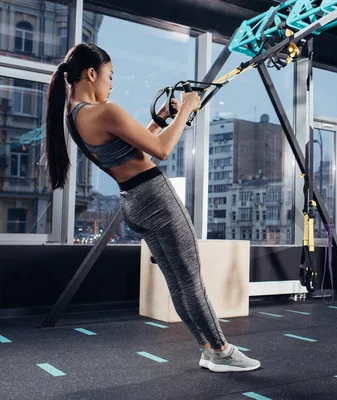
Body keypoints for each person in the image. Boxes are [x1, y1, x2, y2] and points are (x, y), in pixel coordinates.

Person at [45, 43, 260, 373]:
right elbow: (160, 151)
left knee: (178, 282)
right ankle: (222, 350)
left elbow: (131, 151)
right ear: (91, 74)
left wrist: (160, 120)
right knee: (191, 281)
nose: (112, 84)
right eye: (110, 76)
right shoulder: (105, 110)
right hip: (156, 198)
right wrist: (188, 107)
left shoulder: (75, 117)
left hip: (133, 202)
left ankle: (206, 349)